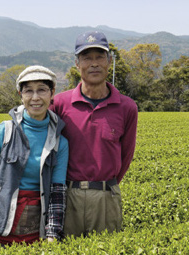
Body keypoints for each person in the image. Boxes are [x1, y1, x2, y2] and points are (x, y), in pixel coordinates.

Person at [0, 65, 68, 248]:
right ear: (21, 94)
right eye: (29, 91)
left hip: (36, 229)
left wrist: (53, 232)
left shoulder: (60, 142)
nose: (35, 97)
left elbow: (57, 191)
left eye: (42, 90)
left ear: (52, 93)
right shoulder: (2, 132)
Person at [50, 31, 138, 237]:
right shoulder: (60, 104)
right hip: (68, 195)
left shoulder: (127, 107)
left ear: (109, 61)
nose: (94, 63)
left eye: (100, 57)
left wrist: (106, 187)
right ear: (77, 63)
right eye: (87, 58)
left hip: (107, 196)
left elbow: (126, 155)